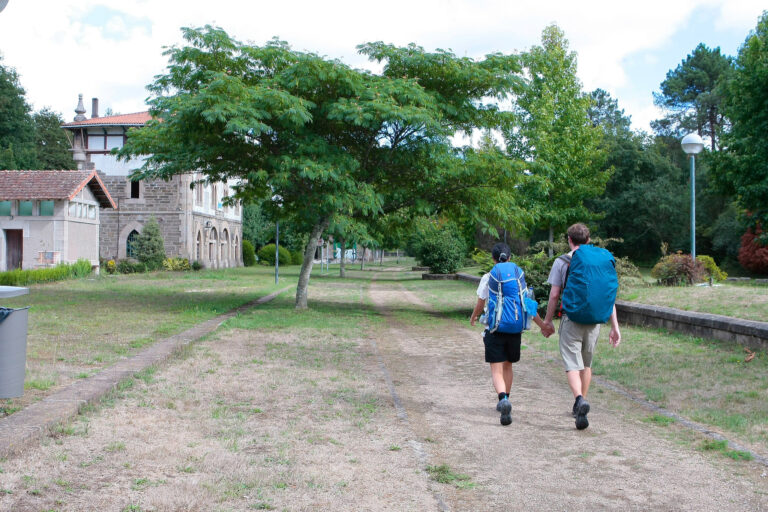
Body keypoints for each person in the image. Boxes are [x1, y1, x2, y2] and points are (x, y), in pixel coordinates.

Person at [543, 223, 621, 430]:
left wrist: (547, 321)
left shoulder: (562, 262)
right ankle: (581, 404)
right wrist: (615, 326)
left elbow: (554, 295)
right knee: (586, 364)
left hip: (572, 319)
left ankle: (579, 399)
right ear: (589, 240)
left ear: (569, 240)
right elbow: (607, 296)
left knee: (572, 363)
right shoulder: (600, 261)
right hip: (595, 321)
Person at [471, 243, 554, 426]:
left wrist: (474, 316)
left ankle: (502, 399)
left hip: (494, 329)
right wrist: (542, 325)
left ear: (493, 259)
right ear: (509, 258)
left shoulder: (488, 277)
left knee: (496, 369)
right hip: (515, 330)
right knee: (508, 366)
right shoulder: (517, 278)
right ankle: (507, 397)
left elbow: (480, 303)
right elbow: (527, 304)